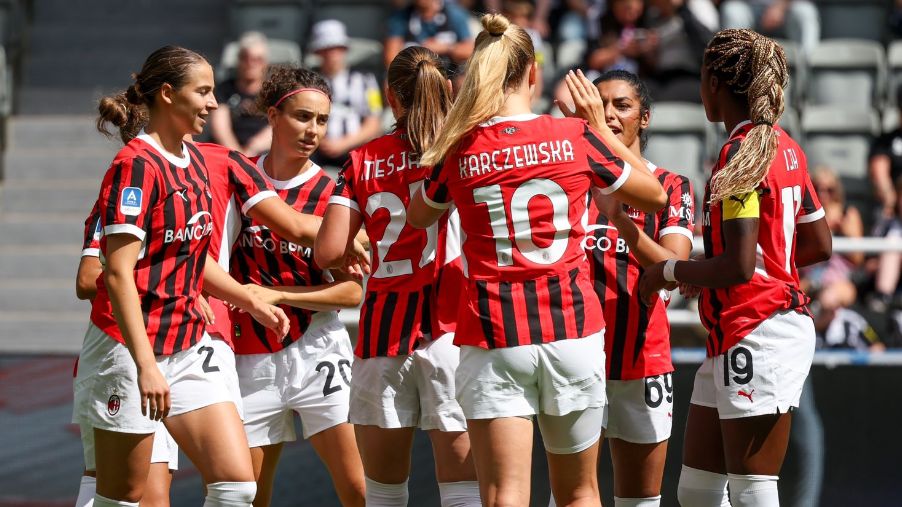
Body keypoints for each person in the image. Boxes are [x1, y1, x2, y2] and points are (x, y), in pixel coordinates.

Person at [407, 14, 667, 506]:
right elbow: (653, 195)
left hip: (494, 334)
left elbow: (420, 216)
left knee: (505, 493)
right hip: (572, 328)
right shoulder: (573, 135)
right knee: (579, 493)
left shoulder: (460, 146)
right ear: (533, 73)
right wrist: (597, 128)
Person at [73, 45, 291, 507]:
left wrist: (249, 300)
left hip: (188, 344)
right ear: (168, 94)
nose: (214, 103)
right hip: (129, 350)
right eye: (205, 91)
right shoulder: (135, 165)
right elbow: (115, 274)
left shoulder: (193, 159)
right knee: (122, 497)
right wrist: (146, 364)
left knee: (237, 485)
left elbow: (190, 256)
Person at [638, 29, 832, 507]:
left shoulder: (741, 153)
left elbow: (741, 267)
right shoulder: (786, 146)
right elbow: (818, 243)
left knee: (751, 492)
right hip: (742, 329)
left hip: (759, 330)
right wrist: (737, 268)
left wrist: (669, 273)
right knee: (699, 492)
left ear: (715, 82)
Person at [315, 46, 481, 507]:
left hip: (381, 338)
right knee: (463, 492)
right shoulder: (461, 151)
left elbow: (327, 251)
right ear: (445, 90)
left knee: (384, 496)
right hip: (451, 332)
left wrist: (356, 248)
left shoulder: (361, 159)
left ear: (390, 95)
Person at [227, 66, 367, 507]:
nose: (313, 131)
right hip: (250, 357)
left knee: (359, 490)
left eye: (322, 120)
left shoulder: (332, 192)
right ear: (273, 115)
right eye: (303, 117)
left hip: (318, 351)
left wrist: (280, 295)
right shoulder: (236, 179)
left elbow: (352, 293)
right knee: (248, 495)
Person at [583, 69, 695, 507]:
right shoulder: (570, 183)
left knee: (639, 501)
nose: (609, 114)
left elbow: (677, 267)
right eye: (601, 103)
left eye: (621, 105)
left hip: (642, 357)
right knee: (571, 494)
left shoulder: (672, 185)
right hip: (575, 356)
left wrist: (621, 220)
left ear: (644, 118)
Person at [307, 19, 384, 169]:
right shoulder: (309, 82)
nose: (333, 54)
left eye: (338, 48)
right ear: (318, 52)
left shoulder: (367, 81)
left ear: (345, 49)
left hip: (355, 149)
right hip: (316, 150)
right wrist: (321, 142)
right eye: (327, 48)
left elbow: (374, 123)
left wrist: (343, 143)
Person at [211, 32, 272, 157]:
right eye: (245, 57)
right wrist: (239, 157)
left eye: (257, 59)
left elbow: (278, 127)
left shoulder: (273, 91)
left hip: (265, 154)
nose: (251, 63)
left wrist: (252, 149)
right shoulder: (224, 89)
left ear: (266, 63)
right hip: (227, 153)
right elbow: (221, 128)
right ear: (238, 60)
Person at [384, 0, 475, 75]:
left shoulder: (454, 13)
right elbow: (390, 58)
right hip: (414, 76)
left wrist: (446, 48)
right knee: (389, 79)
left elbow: (470, 51)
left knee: (464, 80)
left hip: (448, 74)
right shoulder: (400, 18)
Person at [719, 0, 821, 55]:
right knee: (731, 10)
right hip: (748, 8)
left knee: (805, 12)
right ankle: (733, 76)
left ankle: (806, 77)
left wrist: (780, 7)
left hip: (787, 8)